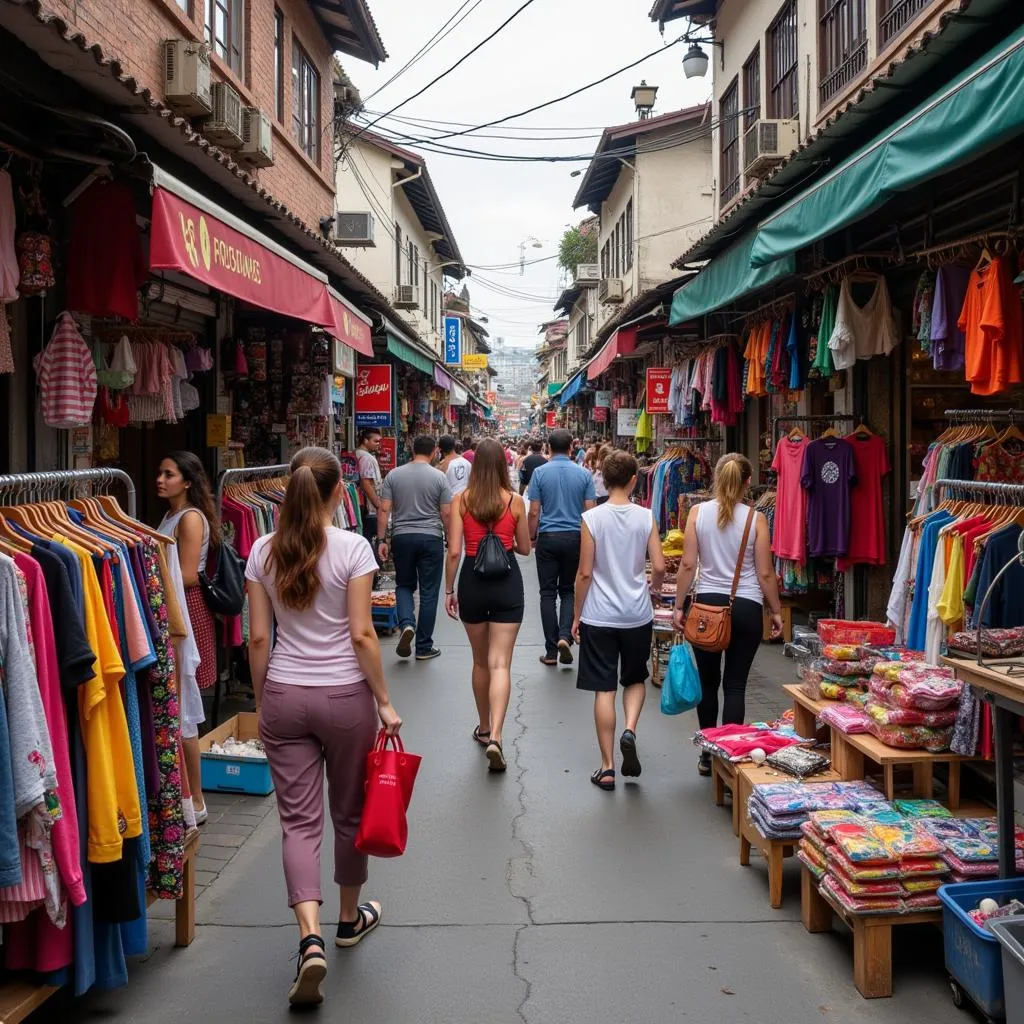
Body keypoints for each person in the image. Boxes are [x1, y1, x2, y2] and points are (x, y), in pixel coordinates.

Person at [246, 447, 401, 1007]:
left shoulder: (263, 550)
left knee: (297, 823)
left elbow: (259, 638)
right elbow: (363, 634)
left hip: (285, 694)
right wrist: (384, 700)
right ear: (340, 491)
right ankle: (346, 919)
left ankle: (308, 938)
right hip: (344, 698)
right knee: (348, 812)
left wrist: (265, 702)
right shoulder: (354, 548)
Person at [672, 453, 784, 777]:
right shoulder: (756, 519)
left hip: (706, 606)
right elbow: (765, 573)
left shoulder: (696, 514)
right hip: (746, 607)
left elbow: (689, 565)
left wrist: (679, 605)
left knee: (708, 684)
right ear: (748, 481)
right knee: (735, 685)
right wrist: (776, 611)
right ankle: (730, 754)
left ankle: (707, 754)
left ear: (716, 479)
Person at [572, 450, 665, 791]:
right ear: (633, 480)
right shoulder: (645, 516)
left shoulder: (592, 519)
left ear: (605, 480)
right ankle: (631, 729)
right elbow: (658, 566)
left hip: (600, 614)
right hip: (637, 613)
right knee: (635, 678)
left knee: (604, 688)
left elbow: (584, 573)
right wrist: (651, 591)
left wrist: (577, 614)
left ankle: (607, 767)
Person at [444, 438, 531, 773]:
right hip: (508, 584)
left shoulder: (461, 501)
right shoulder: (515, 501)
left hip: (473, 583)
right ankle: (496, 734)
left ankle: (482, 727)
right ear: (502, 465)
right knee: (501, 665)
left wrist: (449, 590)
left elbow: (453, 551)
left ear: (476, 465)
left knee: (480, 662)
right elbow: (524, 549)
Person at [156, 451, 217, 824]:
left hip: (186, 610)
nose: (160, 480)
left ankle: (197, 798)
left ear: (188, 481)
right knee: (178, 706)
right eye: (160, 474)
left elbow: (189, 574)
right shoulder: (170, 516)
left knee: (186, 711)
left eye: (169, 474)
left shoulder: (190, 518)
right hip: (174, 608)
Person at [377, 435, 451, 661]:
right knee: (429, 592)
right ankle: (423, 646)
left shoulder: (394, 475)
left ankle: (407, 623)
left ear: (412, 450)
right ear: (434, 452)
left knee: (404, 584)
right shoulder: (439, 477)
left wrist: (381, 540)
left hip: (402, 538)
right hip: (430, 538)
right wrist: (449, 537)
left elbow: (383, 511)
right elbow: (446, 512)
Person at [528, 428, 596, 667]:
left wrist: (532, 535)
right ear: (571, 448)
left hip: (548, 536)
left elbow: (534, 510)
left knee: (547, 593)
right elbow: (590, 511)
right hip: (575, 537)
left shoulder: (539, 473)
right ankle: (565, 636)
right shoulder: (584, 475)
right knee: (568, 590)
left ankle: (550, 651)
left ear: (548, 447)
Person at [356, 428, 383, 549]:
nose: (378, 444)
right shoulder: (367, 458)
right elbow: (366, 483)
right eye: (375, 441)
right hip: (368, 507)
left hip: (359, 504)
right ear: (365, 441)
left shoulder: (356, 453)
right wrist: (378, 505)